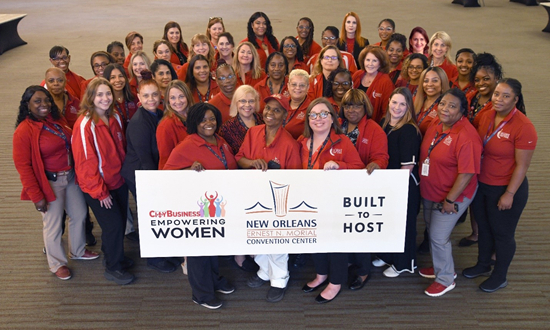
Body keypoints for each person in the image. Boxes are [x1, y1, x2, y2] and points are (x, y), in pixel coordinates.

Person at [13, 86, 98, 281]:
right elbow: (23, 167)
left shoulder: (55, 120)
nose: (44, 105)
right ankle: (57, 263)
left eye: (47, 100)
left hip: (70, 177)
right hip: (49, 183)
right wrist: (36, 197)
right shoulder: (24, 131)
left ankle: (77, 250)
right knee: (53, 225)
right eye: (38, 101)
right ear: (27, 105)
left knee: (79, 214)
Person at [463, 79, 537, 292]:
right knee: (484, 228)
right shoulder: (486, 115)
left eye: (506, 96)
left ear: (515, 99)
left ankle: (500, 276)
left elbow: (522, 166)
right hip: (481, 184)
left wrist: (509, 193)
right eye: (497, 94)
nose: (499, 99)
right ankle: (483, 264)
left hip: (505, 188)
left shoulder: (524, 127)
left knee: (502, 234)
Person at [164, 103, 236, 310]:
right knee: (198, 250)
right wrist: (188, 169)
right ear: (194, 123)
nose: (208, 123)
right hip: (196, 207)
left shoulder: (221, 141)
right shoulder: (187, 146)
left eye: (212, 118)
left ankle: (213, 280)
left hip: (218, 206)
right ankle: (202, 294)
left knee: (212, 245)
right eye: (203, 120)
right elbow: (165, 175)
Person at [418, 88, 482, 297]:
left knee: (437, 236)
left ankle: (445, 278)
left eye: (452, 106)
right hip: (430, 190)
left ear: (462, 111)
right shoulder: (437, 122)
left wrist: (450, 200)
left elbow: (467, 174)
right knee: (431, 228)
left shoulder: (466, 136)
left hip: (451, 196)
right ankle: (440, 265)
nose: (445, 109)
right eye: (443, 103)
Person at [298, 98, 364, 303]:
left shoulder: (342, 141)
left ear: (332, 118)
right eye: (314, 114)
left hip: (336, 202)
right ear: (308, 119)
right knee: (315, 238)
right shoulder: (302, 142)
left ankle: (335, 282)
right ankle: (321, 275)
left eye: (324, 114)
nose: (318, 119)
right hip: (310, 201)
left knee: (335, 242)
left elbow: (359, 168)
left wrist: (340, 165)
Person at [237, 94, 301, 303]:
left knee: (277, 239)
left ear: (284, 115)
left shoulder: (289, 144)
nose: (269, 113)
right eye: (267, 109)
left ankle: (279, 279)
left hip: (278, 200)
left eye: (276, 110)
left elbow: (296, 178)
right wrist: (252, 162)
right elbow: (239, 158)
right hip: (253, 195)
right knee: (256, 236)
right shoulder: (253, 132)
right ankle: (265, 271)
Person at [72, 78, 133, 284]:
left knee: (119, 222)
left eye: (108, 94)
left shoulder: (115, 115)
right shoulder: (84, 124)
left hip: (118, 180)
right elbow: (85, 163)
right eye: (99, 94)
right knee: (113, 225)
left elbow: (120, 148)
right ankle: (113, 267)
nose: (105, 98)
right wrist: (100, 192)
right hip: (98, 187)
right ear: (90, 97)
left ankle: (114, 256)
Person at [120, 70, 178, 274]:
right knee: (149, 215)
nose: (151, 99)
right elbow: (145, 159)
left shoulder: (158, 113)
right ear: (138, 97)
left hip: (150, 171)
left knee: (157, 213)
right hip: (141, 174)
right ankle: (154, 258)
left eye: (154, 94)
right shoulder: (139, 123)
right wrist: (156, 186)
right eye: (146, 96)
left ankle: (162, 248)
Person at [338, 89, 389, 287]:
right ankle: (350, 260)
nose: (352, 110)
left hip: (363, 187)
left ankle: (363, 270)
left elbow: (382, 157)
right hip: (340, 184)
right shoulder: (337, 126)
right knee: (343, 226)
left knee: (358, 229)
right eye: (348, 105)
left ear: (365, 107)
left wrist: (376, 164)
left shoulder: (374, 129)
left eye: (357, 105)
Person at [373, 88, 421, 278]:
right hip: (388, 184)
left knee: (404, 225)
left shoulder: (409, 129)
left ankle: (405, 263)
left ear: (408, 106)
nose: (397, 107)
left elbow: (407, 167)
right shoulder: (384, 123)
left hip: (404, 186)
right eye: (394, 102)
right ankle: (388, 255)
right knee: (389, 222)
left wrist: (394, 190)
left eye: (403, 104)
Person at [157, 80, 194, 171]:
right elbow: (165, 163)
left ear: (188, 97)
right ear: (168, 101)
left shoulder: (196, 118)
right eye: (173, 98)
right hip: (179, 176)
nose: (177, 101)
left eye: (181, 96)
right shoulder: (165, 126)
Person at [352, 46, 394, 123]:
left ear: (380, 63)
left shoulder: (386, 82)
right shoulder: (357, 75)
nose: (370, 64)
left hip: (373, 124)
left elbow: (387, 112)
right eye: (368, 60)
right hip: (353, 121)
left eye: (374, 61)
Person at [219, 85, 263, 155]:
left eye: (251, 101)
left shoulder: (264, 121)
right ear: (236, 103)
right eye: (243, 101)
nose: (247, 105)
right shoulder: (226, 128)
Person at [466, 52, 503, 129]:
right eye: (477, 80)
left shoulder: (501, 103)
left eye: (486, 79)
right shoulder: (470, 97)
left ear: (497, 77)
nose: (481, 83)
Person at [413, 66, 449, 135]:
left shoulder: (445, 108)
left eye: (435, 80)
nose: (429, 84)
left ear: (442, 83)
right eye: (426, 81)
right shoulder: (415, 100)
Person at [102, 63, 138, 129]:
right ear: (107, 80)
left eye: (121, 76)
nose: (118, 80)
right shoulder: (105, 102)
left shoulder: (135, 97)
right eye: (113, 77)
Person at [285, 69, 311, 139]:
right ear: (288, 86)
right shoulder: (281, 104)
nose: (297, 88)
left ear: (308, 87)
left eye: (302, 85)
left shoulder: (312, 109)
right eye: (294, 84)